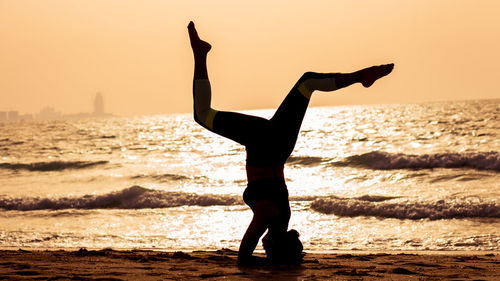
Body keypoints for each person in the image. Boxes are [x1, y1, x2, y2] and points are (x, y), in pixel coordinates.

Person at [187, 21, 393, 265]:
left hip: (281, 143)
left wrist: (279, 259)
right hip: (261, 141)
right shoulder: (267, 216)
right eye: (268, 249)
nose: (262, 247)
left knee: (307, 84)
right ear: (274, 246)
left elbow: (267, 245)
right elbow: (243, 260)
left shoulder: (283, 218)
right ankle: (200, 54)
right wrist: (270, 263)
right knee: (202, 114)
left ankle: (359, 76)